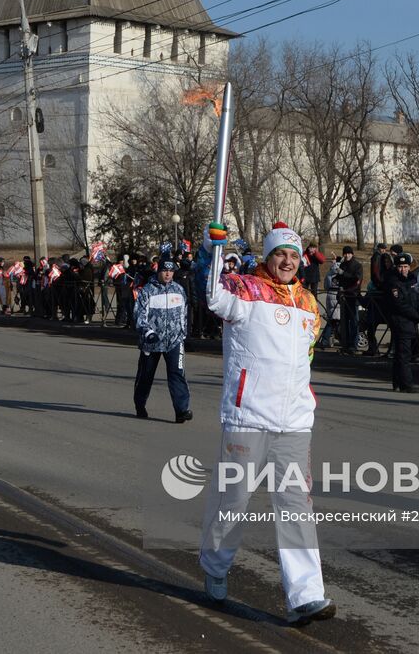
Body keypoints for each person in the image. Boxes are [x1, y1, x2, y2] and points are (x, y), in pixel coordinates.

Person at [197, 220, 335, 627]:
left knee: (295, 506)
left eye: (293, 255)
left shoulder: (309, 302)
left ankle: (306, 595)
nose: (287, 261)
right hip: (248, 416)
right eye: (280, 254)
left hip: (294, 421)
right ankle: (215, 566)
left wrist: (302, 399)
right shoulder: (244, 290)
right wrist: (212, 250)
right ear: (268, 257)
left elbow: (306, 357)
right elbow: (211, 295)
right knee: (234, 499)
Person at [132, 259, 191, 422]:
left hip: (174, 341)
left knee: (177, 374)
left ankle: (181, 410)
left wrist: (183, 333)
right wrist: (148, 332)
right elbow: (139, 315)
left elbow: (183, 313)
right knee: (146, 375)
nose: (167, 274)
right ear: (158, 271)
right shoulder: (148, 291)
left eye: (171, 271)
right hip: (151, 342)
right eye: (164, 270)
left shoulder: (179, 290)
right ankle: (140, 404)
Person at [384, 252, 419, 393]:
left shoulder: (411, 280)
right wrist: (416, 315)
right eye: (400, 266)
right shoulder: (392, 281)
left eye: (406, 266)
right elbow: (399, 304)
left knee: (400, 353)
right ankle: (407, 384)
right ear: (396, 267)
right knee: (404, 354)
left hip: (410, 321)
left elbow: (416, 298)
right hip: (400, 320)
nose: (403, 269)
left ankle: (397, 382)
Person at [336, 246, 363, 354]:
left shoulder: (357, 265)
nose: (347, 255)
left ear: (352, 254)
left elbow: (356, 279)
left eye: (349, 253)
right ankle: (346, 344)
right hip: (344, 296)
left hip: (353, 295)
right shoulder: (343, 264)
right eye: (345, 253)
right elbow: (340, 278)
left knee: (354, 321)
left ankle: (354, 344)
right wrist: (336, 279)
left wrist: (343, 274)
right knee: (344, 322)